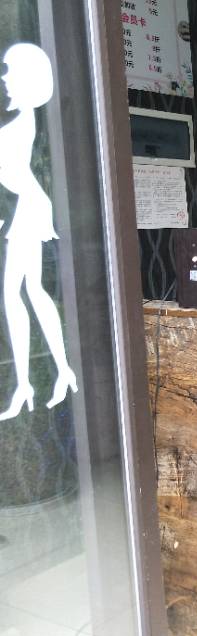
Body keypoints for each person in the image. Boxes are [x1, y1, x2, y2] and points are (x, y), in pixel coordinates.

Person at [0, 43, 77, 420]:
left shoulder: (22, 126)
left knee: (18, 292)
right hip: (27, 208)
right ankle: (52, 374)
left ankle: (31, 383)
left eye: (10, 71)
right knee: (28, 290)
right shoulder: (23, 124)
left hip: (26, 209)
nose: (5, 79)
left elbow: (15, 177)